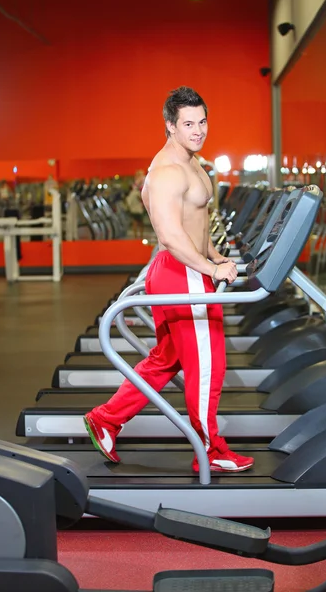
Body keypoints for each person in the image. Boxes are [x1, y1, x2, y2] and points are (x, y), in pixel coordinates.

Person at [84, 86, 254, 473]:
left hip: (187, 268)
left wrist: (213, 254)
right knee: (208, 366)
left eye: (202, 121)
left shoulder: (193, 162)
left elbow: (197, 221)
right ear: (170, 126)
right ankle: (209, 450)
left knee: (167, 359)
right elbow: (170, 234)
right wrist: (209, 270)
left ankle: (106, 418)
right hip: (182, 273)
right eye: (188, 124)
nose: (198, 130)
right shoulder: (166, 172)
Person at [126, 170, 146, 238]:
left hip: (139, 206)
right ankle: (136, 236)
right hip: (136, 207)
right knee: (136, 221)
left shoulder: (141, 184)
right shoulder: (135, 186)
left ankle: (140, 235)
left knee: (139, 222)